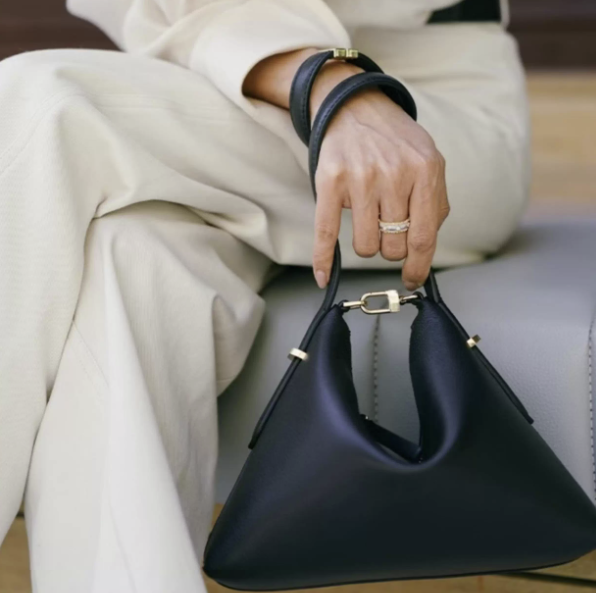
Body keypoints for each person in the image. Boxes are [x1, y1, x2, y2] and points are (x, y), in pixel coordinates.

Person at [0, 0, 530, 590]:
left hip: (428, 113)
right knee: (129, 255)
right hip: (209, 93)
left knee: (39, 101)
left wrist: (331, 80)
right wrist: (320, 78)